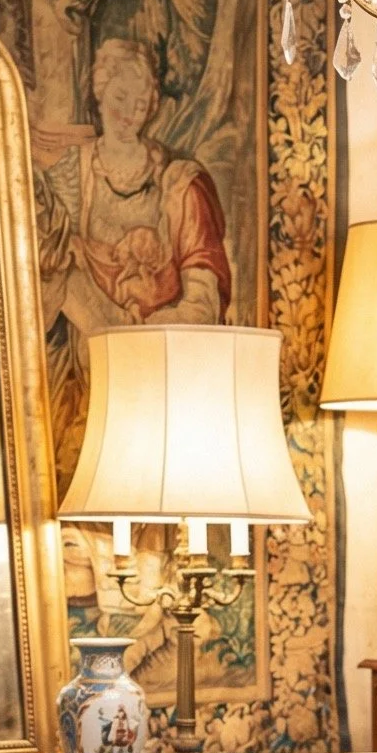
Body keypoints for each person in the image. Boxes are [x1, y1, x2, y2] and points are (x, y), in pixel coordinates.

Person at [39, 37, 233, 476]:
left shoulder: (182, 183)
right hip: (84, 373)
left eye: (142, 102)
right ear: (99, 92)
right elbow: (39, 285)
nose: (131, 112)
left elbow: (203, 304)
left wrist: (138, 338)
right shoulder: (69, 176)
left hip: (161, 372)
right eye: (121, 98)